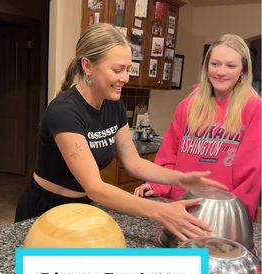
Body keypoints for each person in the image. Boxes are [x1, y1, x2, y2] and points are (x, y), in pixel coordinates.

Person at [15, 23, 227, 241]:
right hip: (45, 210)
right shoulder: (64, 112)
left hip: (82, 208)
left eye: (128, 69)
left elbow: (134, 162)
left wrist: (180, 179)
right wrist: (160, 211)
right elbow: (95, 188)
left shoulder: (113, 104)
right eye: (118, 70)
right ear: (87, 66)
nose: (125, 78)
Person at [134, 34, 261, 220]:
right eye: (215, 64)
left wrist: (236, 216)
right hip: (179, 207)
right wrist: (156, 185)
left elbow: (251, 175)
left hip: (222, 212)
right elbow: (168, 156)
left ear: (243, 70)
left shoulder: (254, 108)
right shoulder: (188, 105)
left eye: (231, 65)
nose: (220, 71)